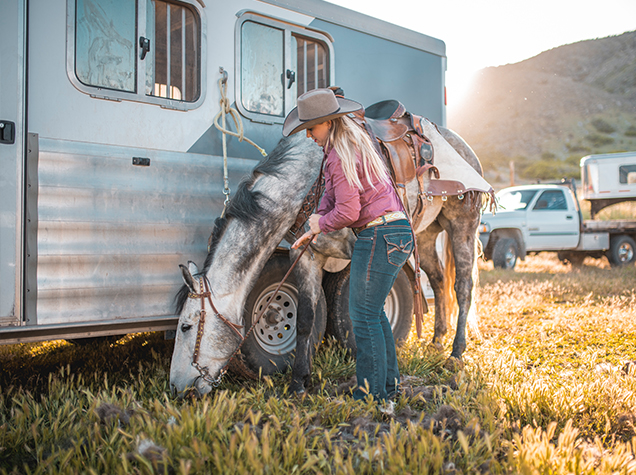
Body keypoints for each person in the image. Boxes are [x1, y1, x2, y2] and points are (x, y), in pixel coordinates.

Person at [283, 88, 414, 402]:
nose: (309, 136)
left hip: (379, 235)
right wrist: (314, 225)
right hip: (395, 232)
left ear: (328, 123)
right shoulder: (344, 149)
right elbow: (333, 197)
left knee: (362, 315)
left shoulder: (340, 154)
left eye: (311, 128)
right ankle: (389, 387)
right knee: (374, 313)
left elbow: (348, 211)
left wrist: (322, 224)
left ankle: (370, 394)